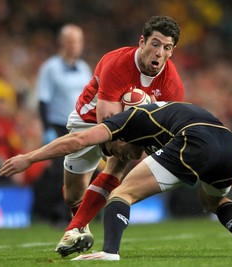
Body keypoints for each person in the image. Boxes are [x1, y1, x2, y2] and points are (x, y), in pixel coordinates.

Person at [0, 101, 232, 260]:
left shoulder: (128, 119)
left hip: (195, 141)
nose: (118, 156)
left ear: (119, 138)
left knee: (122, 194)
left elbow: (79, 139)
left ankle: (109, 252)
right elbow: (220, 141)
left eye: (112, 150)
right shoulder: (166, 113)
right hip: (228, 146)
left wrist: (30, 158)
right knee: (213, 200)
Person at [53, 16, 183, 254]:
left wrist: (147, 134)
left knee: (121, 162)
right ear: (142, 42)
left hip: (128, 123)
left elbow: (168, 129)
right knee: (73, 196)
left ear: (172, 51)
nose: (159, 52)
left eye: (167, 47)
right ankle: (78, 217)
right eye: (155, 44)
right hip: (88, 120)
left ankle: (74, 229)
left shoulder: (172, 84)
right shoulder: (116, 63)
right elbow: (108, 131)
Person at [35, 24, 93, 224]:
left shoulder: (84, 68)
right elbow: (43, 100)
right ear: (62, 43)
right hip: (60, 125)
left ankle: (74, 212)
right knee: (62, 171)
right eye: (70, 41)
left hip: (82, 126)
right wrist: (47, 129)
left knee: (84, 169)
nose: (74, 45)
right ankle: (59, 214)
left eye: (77, 41)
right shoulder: (50, 68)